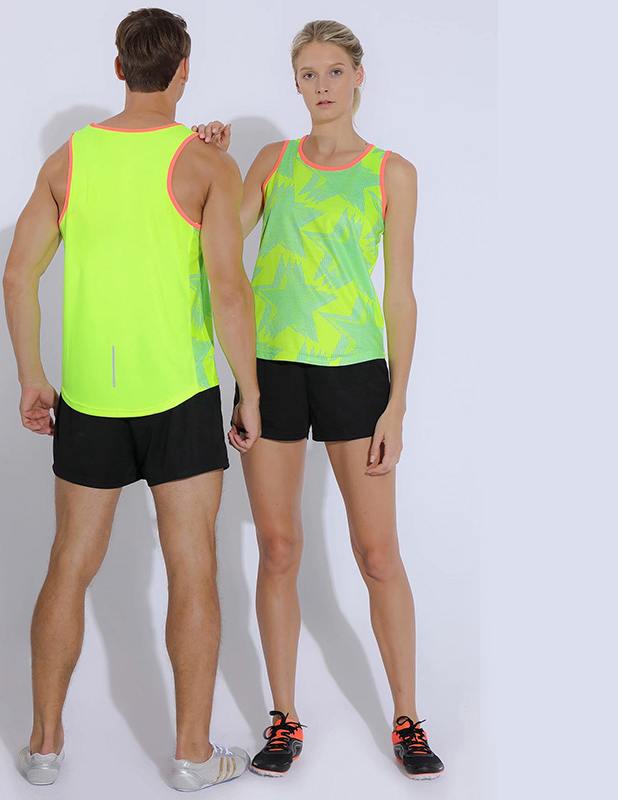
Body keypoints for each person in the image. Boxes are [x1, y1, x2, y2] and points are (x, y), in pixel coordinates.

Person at [2, 8, 261, 791]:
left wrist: (32, 375)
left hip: (89, 398)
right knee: (194, 568)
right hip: (179, 397)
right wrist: (250, 389)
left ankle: (44, 748)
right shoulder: (206, 165)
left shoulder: (68, 160)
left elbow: (18, 274)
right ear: (183, 70)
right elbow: (228, 289)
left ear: (120, 68)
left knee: (69, 563)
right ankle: (191, 755)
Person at [192, 19, 445, 781]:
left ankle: (407, 717)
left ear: (358, 76)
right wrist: (211, 161)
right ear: (296, 82)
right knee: (279, 548)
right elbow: (217, 243)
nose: (323, 85)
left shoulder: (392, 172)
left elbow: (399, 295)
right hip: (271, 371)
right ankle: (283, 716)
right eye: (309, 73)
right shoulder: (273, 161)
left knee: (378, 555)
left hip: (355, 374)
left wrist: (397, 404)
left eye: (335, 71)